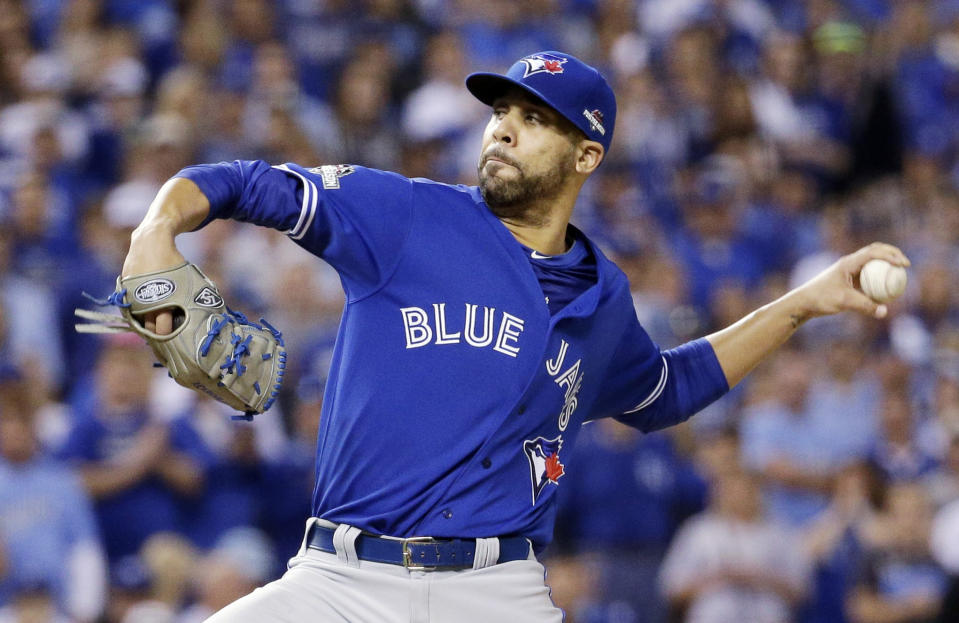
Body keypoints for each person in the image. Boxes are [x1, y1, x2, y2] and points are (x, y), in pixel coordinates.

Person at [119, 51, 910, 621]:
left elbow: (665, 392)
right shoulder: (406, 215)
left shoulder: (602, 296)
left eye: (534, 120)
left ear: (586, 154)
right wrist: (156, 232)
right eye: (501, 112)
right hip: (338, 584)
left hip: (494, 592)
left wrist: (802, 303)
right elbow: (243, 184)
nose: (503, 129)